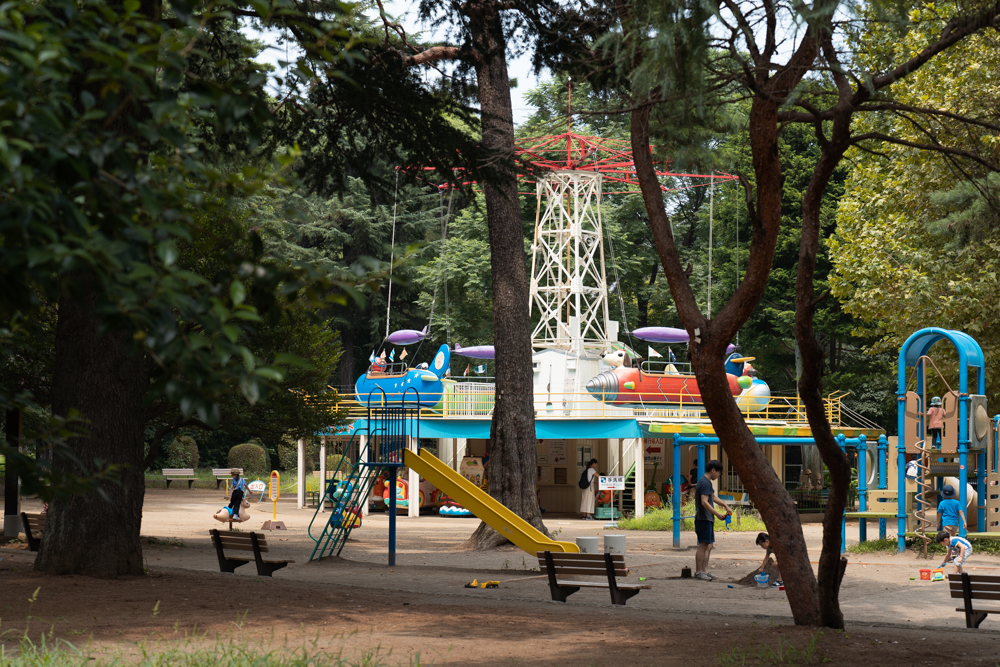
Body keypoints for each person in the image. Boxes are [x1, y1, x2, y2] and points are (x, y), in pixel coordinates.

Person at [694, 460, 731, 581]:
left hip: (708, 518)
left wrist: (725, 505)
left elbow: (713, 497)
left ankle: (705, 571)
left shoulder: (707, 483)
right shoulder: (704, 482)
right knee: (703, 545)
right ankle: (698, 572)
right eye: (719, 473)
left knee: (709, 545)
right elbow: (704, 502)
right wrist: (717, 513)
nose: (718, 475)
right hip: (703, 518)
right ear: (713, 470)